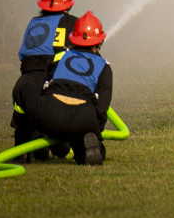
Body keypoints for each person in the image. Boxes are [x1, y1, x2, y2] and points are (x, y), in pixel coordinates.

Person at [20, 10, 113, 165]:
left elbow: (45, 86)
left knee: (26, 88)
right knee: (83, 142)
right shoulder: (104, 66)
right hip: (82, 116)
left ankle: (41, 135)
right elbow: (102, 107)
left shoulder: (59, 57)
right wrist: (95, 132)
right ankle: (86, 148)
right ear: (99, 42)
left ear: (72, 38)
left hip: (50, 111)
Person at [11, 0, 78, 161]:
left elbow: (25, 54)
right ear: (68, 5)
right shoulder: (72, 23)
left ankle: (25, 149)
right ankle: (61, 145)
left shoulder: (34, 24)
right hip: (53, 77)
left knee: (25, 115)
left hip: (25, 81)